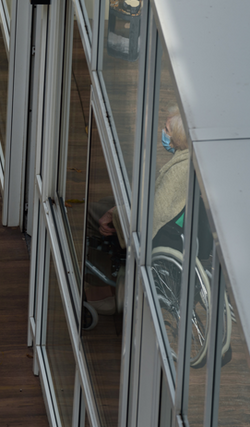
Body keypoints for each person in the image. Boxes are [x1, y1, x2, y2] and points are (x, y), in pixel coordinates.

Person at [89, 106, 189, 314]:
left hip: (157, 231)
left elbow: (157, 212)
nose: (163, 131)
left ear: (179, 136)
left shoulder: (180, 170)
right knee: (109, 201)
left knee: (92, 215)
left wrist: (117, 214)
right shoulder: (186, 158)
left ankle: (102, 291)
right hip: (167, 220)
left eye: (167, 129)